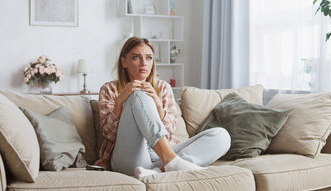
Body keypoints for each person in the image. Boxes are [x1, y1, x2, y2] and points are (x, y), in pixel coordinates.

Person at [94, 36, 231, 177]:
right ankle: (172, 162)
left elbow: (170, 131)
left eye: (149, 58)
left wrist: (158, 105)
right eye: (136, 57)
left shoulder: (163, 87)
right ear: (124, 62)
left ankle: (159, 171)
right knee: (139, 95)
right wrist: (120, 101)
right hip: (129, 158)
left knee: (222, 136)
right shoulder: (109, 89)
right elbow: (108, 134)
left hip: (159, 157)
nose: (144, 63)